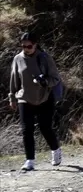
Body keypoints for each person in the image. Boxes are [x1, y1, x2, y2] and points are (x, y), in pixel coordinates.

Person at [8, 33, 62, 171]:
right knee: (27, 130)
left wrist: (44, 82)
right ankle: (30, 160)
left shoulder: (45, 58)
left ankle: (55, 150)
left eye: (29, 46)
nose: (26, 49)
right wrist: (12, 98)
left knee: (45, 128)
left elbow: (55, 79)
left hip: (44, 98)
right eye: (23, 46)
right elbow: (14, 80)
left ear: (35, 45)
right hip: (24, 98)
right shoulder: (18, 59)